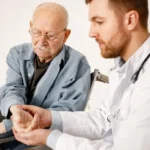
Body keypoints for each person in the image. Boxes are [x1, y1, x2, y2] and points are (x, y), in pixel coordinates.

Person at [11, 0, 150, 149]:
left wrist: (52, 138)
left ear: (130, 20)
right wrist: (49, 117)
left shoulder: (146, 81)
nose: (91, 33)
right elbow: (104, 118)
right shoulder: (125, 68)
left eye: (99, 22)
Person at [0, 2, 91, 135]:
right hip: (9, 115)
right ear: (30, 26)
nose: (41, 41)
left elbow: (66, 114)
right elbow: (12, 88)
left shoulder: (78, 65)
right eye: (36, 32)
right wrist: (15, 110)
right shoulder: (17, 53)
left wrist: (8, 125)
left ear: (65, 35)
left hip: (38, 134)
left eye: (51, 35)